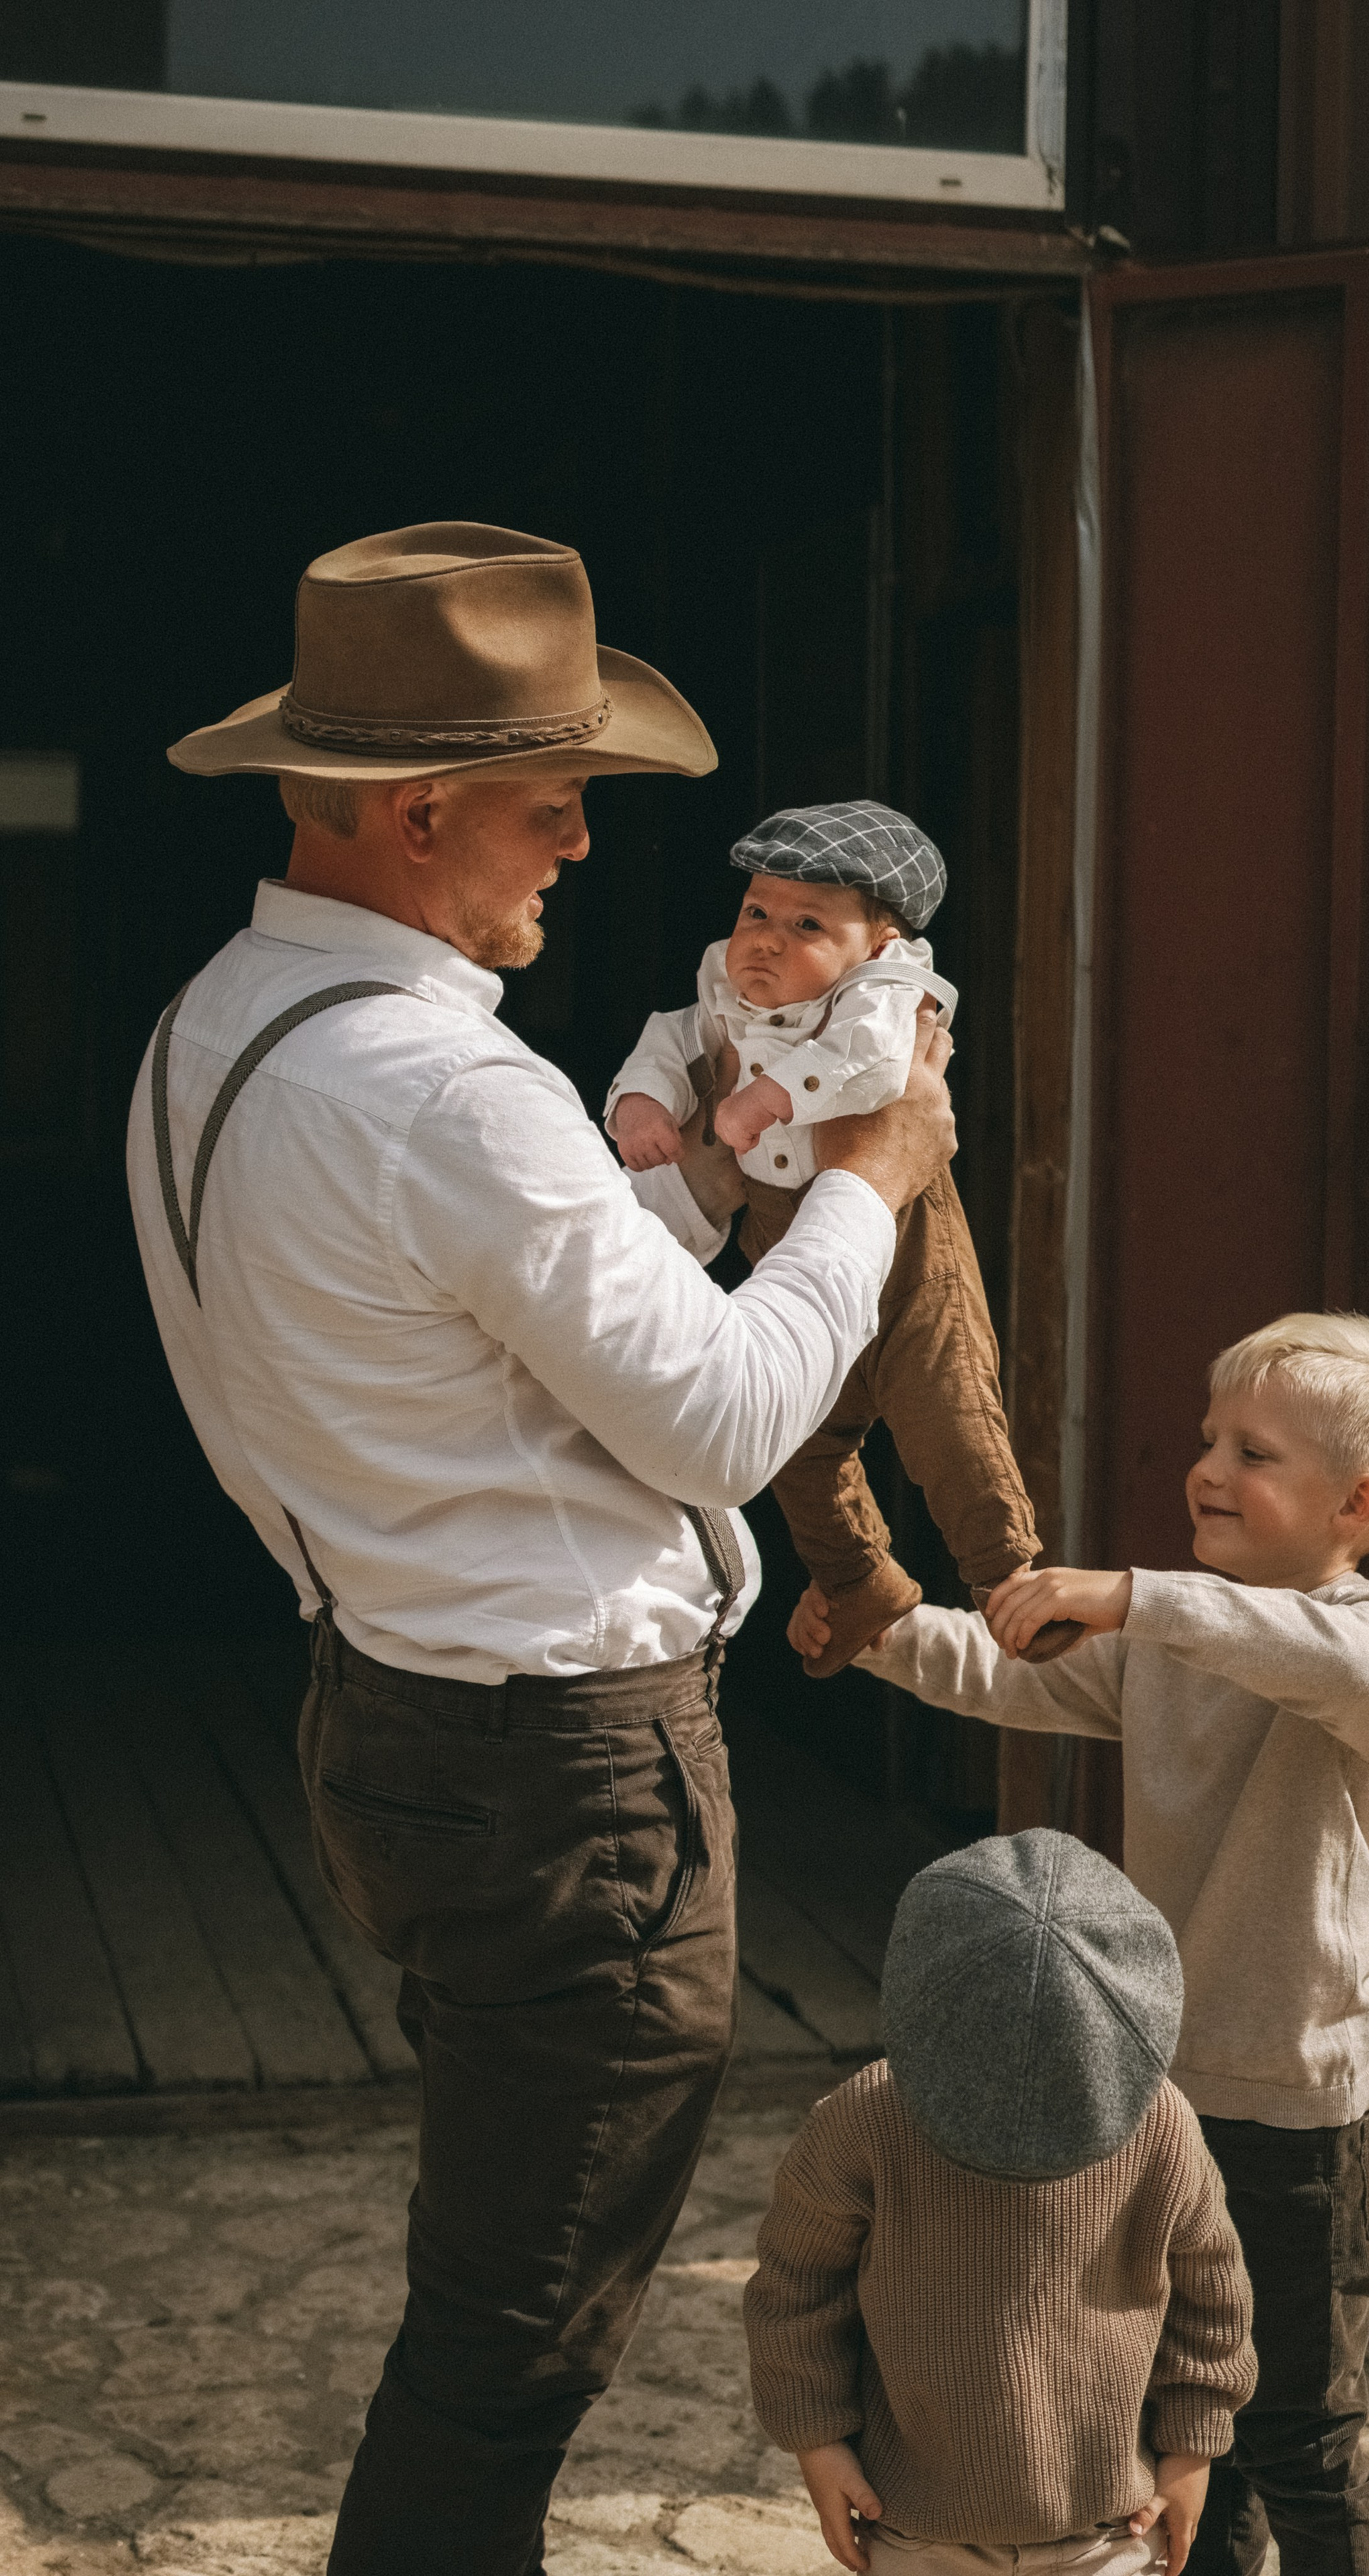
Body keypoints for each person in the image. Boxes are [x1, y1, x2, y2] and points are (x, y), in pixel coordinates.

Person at [126, 522, 956, 2576]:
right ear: (421, 813)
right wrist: (868, 1176)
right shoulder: (449, 1091)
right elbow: (729, 1415)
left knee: (500, 2299)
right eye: (551, 798)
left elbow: (500, 1350)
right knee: (516, 2345)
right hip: (563, 1767)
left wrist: (672, 1210)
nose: (583, 844)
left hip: (398, 1707)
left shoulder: (217, 1018)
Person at [790, 1312, 1369, 2576]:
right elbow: (1015, 1674)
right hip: (1163, 2104)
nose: (1208, 1468)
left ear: (1355, 1505)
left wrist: (1134, 1594)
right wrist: (874, 1628)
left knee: (1303, 2433)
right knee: (1193, 2421)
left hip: (1310, 2116)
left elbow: (1287, 1645)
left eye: (1255, 1452)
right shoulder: (1172, 1639)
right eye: (1210, 1440)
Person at [606, 801, 1078, 1677]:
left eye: (807, 925)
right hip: (786, 1232)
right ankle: (856, 1576)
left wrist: (766, 1100)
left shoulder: (884, 995)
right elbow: (672, 1039)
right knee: (795, 1435)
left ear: (878, 941)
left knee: (947, 1408)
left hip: (904, 1232)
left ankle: (1007, 1576)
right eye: (756, 912)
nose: (767, 941)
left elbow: (868, 1063)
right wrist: (641, 1098)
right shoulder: (725, 986)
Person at [743, 1828, 1257, 2576]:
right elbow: (794, 2288)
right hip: (913, 2523)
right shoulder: (862, 2125)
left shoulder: (1161, 2128)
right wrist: (818, 2440)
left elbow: (1212, 2299)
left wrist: (1190, 2447)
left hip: (1109, 2527)